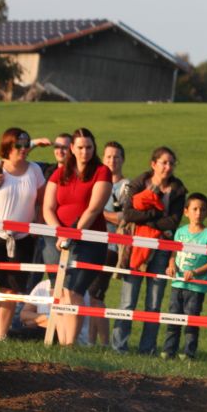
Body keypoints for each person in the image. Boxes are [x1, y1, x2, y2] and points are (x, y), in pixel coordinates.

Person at [0, 127, 48, 340]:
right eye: (19, 146)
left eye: (26, 145)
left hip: (22, 239)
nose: (24, 149)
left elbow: (42, 201)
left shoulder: (34, 171)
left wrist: (37, 228)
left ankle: (1, 336)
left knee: (11, 290)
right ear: (8, 147)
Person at [111, 147, 187, 355]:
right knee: (128, 301)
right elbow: (128, 214)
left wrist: (147, 217)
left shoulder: (178, 190)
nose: (168, 167)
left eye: (171, 163)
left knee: (153, 304)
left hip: (162, 249)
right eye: (164, 162)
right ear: (153, 164)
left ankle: (147, 349)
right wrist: (155, 214)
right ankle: (119, 347)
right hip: (135, 246)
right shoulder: (137, 184)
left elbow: (173, 221)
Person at [42, 128, 112, 346]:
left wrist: (73, 234)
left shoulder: (102, 171)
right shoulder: (59, 173)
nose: (85, 152)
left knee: (74, 291)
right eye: (80, 147)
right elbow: (48, 207)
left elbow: (93, 209)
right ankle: (62, 343)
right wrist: (59, 231)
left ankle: (69, 344)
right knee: (59, 291)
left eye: (89, 147)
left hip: (89, 239)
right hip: (55, 239)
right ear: (72, 148)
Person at [161, 193, 207, 360]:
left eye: (202, 210)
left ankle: (188, 352)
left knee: (191, 319)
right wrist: (171, 266)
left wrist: (195, 272)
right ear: (186, 212)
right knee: (174, 316)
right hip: (178, 284)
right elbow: (174, 253)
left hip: (196, 286)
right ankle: (168, 350)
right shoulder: (180, 232)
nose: (198, 213)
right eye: (194, 209)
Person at [86, 141, 128, 346]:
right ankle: (91, 341)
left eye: (116, 157)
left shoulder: (125, 187)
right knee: (91, 295)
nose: (112, 160)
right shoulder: (96, 181)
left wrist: (97, 213)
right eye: (108, 156)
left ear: (123, 160)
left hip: (111, 246)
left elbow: (125, 218)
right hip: (91, 244)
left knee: (96, 294)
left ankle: (103, 343)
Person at [32, 133, 72, 290]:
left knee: (59, 285)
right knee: (29, 282)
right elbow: (14, 157)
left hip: (61, 237)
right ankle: (21, 315)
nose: (60, 151)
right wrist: (34, 142)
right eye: (57, 146)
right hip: (39, 234)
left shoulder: (78, 175)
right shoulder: (45, 169)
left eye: (65, 147)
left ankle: (56, 315)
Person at [18, 277, 91, 345]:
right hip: (44, 329)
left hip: (67, 336)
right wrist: (50, 319)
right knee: (18, 332)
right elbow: (24, 315)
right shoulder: (43, 285)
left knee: (25, 330)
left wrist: (36, 320)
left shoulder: (76, 292)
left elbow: (67, 324)